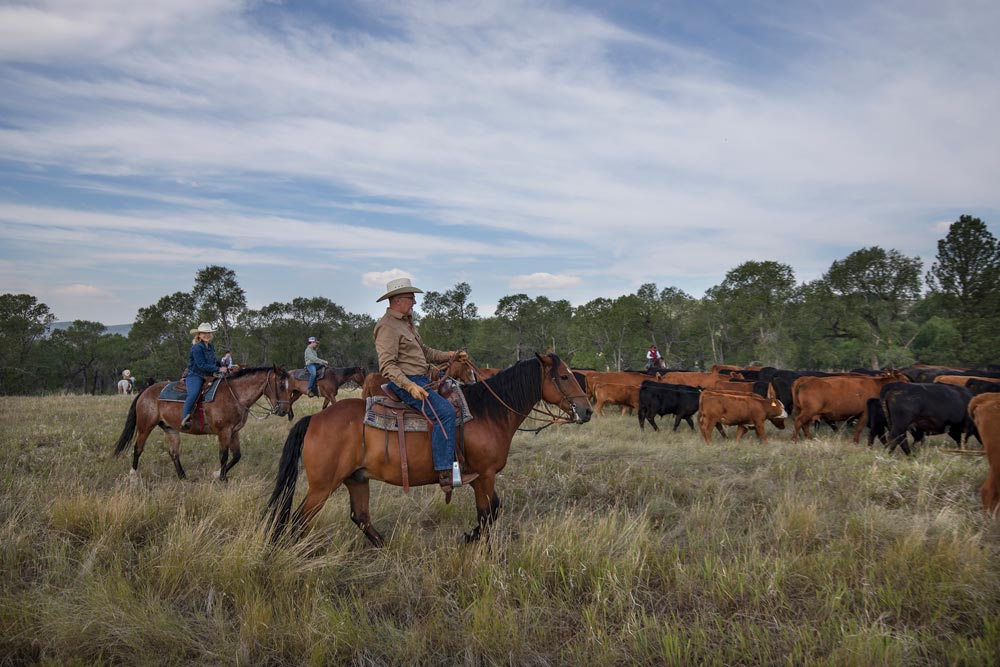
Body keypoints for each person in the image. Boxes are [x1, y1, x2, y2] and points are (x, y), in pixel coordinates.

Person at [373, 277, 478, 493]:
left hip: (422, 379)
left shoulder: (406, 323)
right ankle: (445, 472)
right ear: (399, 300)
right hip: (407, 383)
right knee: (446, 413)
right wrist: (410, 386)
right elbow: (387, 366)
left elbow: (426, 352)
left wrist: (451, 355)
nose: (415, 302)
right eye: (411, 298)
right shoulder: (387, 327)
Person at [181, 322, 228, 429]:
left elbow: (212, 361)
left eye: (208, 333)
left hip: (208, 375)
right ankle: (185, 418)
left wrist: (221, 364)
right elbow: (201, 365)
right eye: (204, 333)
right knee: (193, 393)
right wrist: (218, 369)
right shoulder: (197, 348)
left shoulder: (210, 346)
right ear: (199, 335)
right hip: (195, 375)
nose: (206, 335)